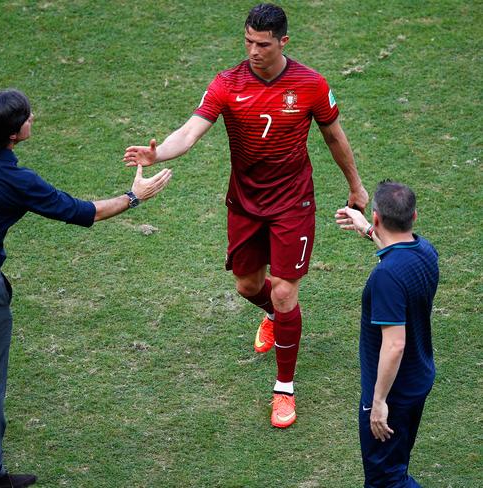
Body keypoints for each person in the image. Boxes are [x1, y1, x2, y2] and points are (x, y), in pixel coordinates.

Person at [0, 89, 172, 487]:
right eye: (28, 117)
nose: (32, 118)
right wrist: (133, 197)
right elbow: (82, 212)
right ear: (14, 135)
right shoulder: (16, 180)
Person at [123, 3, 368, 428]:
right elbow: (191, 130)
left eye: (263, 44)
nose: (253, 51)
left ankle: (284, 390)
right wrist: (158, 151)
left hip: (293, 202)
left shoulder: (310, 84)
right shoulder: (226, 84)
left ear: (283, 42)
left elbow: (334, 137)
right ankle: (273, 316)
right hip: (246, 202)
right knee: (247, 285)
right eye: (248, 42)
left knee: (285, 291)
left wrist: (356, 185)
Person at [335, 181, 439, 487]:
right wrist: (367, 229)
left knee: (386, 480)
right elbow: (397, 254)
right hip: (418, 378)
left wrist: (379, 403)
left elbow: (394, 344)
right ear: (414, 216)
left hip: (393, 393)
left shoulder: (386, 278)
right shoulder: (424, 251)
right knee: (396, 466)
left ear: (379, 217)